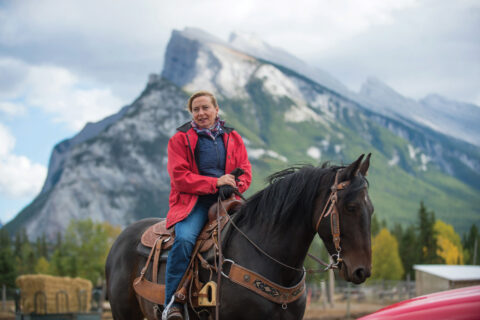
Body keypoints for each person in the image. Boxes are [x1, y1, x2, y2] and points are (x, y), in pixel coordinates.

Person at [163, 90, 252, 320]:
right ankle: (172, 303)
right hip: (194, 203)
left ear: (216, 109)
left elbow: (245, 170)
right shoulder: (180, 139)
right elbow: (179, 177)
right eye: (196, 109)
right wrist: (215, 183)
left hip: (228, 199)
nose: (201, 113)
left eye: (205, 108)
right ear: (191, 113)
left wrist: (234, 185)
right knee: (184, 240)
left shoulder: (234, 137)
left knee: (256, 234)